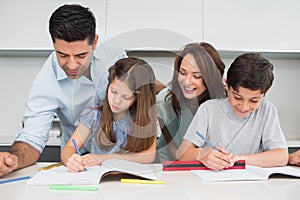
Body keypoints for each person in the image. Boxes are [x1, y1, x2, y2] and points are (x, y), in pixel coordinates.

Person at [0, 4, 126, 177]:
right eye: (63, 55)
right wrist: (13, 159)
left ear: (95, 42)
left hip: (121, 160)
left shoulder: (113, 51)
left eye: (81, 56)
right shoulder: (47, 79)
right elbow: (31, 137)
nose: (72, 65)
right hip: (76, 164)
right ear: (53, 44)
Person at [176, 53, 289, 170]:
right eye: (237, 98)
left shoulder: (267, 111)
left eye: (254, 100)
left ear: (266, 92)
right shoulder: (209, 109)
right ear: (227, 84)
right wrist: (202, 154)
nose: (244, 107)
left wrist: (239, 159)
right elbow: (182, 154)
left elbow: (281, 156)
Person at [61, 57, 157, 172]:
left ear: (139, 98)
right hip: (97, 180)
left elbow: (149, 156)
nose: (116, 101)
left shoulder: (145, 119)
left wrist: (105, 158)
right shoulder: (94, 114)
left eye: (126, 97)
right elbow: (69, 148)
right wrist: (71, 160)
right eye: (113, 91)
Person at [155, 42, 227, 162]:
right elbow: (174, 151)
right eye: (182, 73)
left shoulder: (224, 100)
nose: (187, 82)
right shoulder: (165, 101)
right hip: (171, 164)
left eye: (197, 76)